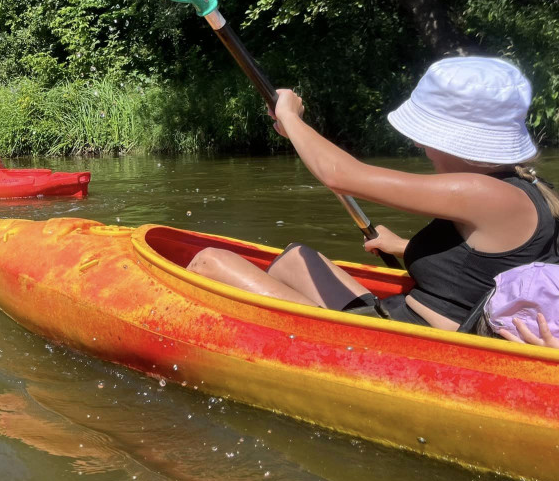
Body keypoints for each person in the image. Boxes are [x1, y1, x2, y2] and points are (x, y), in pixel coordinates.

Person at [187, 56, 559, 332]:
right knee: (297, 257)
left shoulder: (480, 191)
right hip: (399, 322)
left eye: (427, 134)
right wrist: (403, 246)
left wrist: (292, 118)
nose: (418, 142)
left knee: (208, 263)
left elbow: (341, 176)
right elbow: (486, 265)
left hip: (413, 349)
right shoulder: (523, 188)